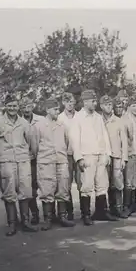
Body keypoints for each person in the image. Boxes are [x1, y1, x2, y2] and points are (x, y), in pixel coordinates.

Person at [0, 95, 36, 236]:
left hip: (23, 160)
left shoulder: (23, 123)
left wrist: (30, 155)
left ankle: (25, 222)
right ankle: (12, 224)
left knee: (25, 190)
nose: (12, 108)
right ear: (5, 106)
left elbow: (31, 141)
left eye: (14, 106)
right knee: (9, 192)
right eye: (9, 106)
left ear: (18, 107)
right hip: (7, 161)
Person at [69, 89, 114, 225]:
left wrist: (107, 154)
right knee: (87, 185)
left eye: (95, 101)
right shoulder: (78, 118)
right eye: (93, 101)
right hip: (86, 155)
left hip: (100, 155)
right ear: (85, 102)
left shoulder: (98, 117)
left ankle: (101, 212)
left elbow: (104, 136)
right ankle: (86, 214)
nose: (95, 103)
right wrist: (79, 158)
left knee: (102, 184)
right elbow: (74, 139)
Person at [30, 98, 75, 230]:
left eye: (58, 109)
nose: (57, 111)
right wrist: (43, 157)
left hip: (61, 160)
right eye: (55, 109)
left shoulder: (62, 125)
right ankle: (48, 218)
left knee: (63, 188)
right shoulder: (38, 126)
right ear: (47, 110)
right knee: (47, 189)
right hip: (46, 162)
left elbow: (67, 142)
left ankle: (62, 216)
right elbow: (34, 146)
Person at [100, 95, 129, 219]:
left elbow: (124, 141)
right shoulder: (98, 120)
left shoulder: (118, 121)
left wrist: (124, 158)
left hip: (117, 156)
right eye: (106, 105)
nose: (109, 107)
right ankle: (107, 208)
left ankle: (118, 207)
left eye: (110, 105)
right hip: (104, 156)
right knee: (105, 183)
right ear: (101, 106)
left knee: (117, 182)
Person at [20, 95, 46, 226]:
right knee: (29, 188)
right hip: (26, 159)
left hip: (41, 157)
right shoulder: (18, 122)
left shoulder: (40, 120)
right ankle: (34, 214)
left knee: (44, 185)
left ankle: (50, 214)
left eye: (28, 106)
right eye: (23, 107)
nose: (26, 109)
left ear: (32, 106)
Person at [57, 92, 81, 221]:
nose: (70, 104)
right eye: (67, 102)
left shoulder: (80, 116)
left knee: (81, 183)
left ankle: (84, 212)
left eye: (72, 102)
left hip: (80, 153)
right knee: (66, 183)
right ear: (63, 103)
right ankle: (69, 211)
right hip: (66, 155)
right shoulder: (60, 118)